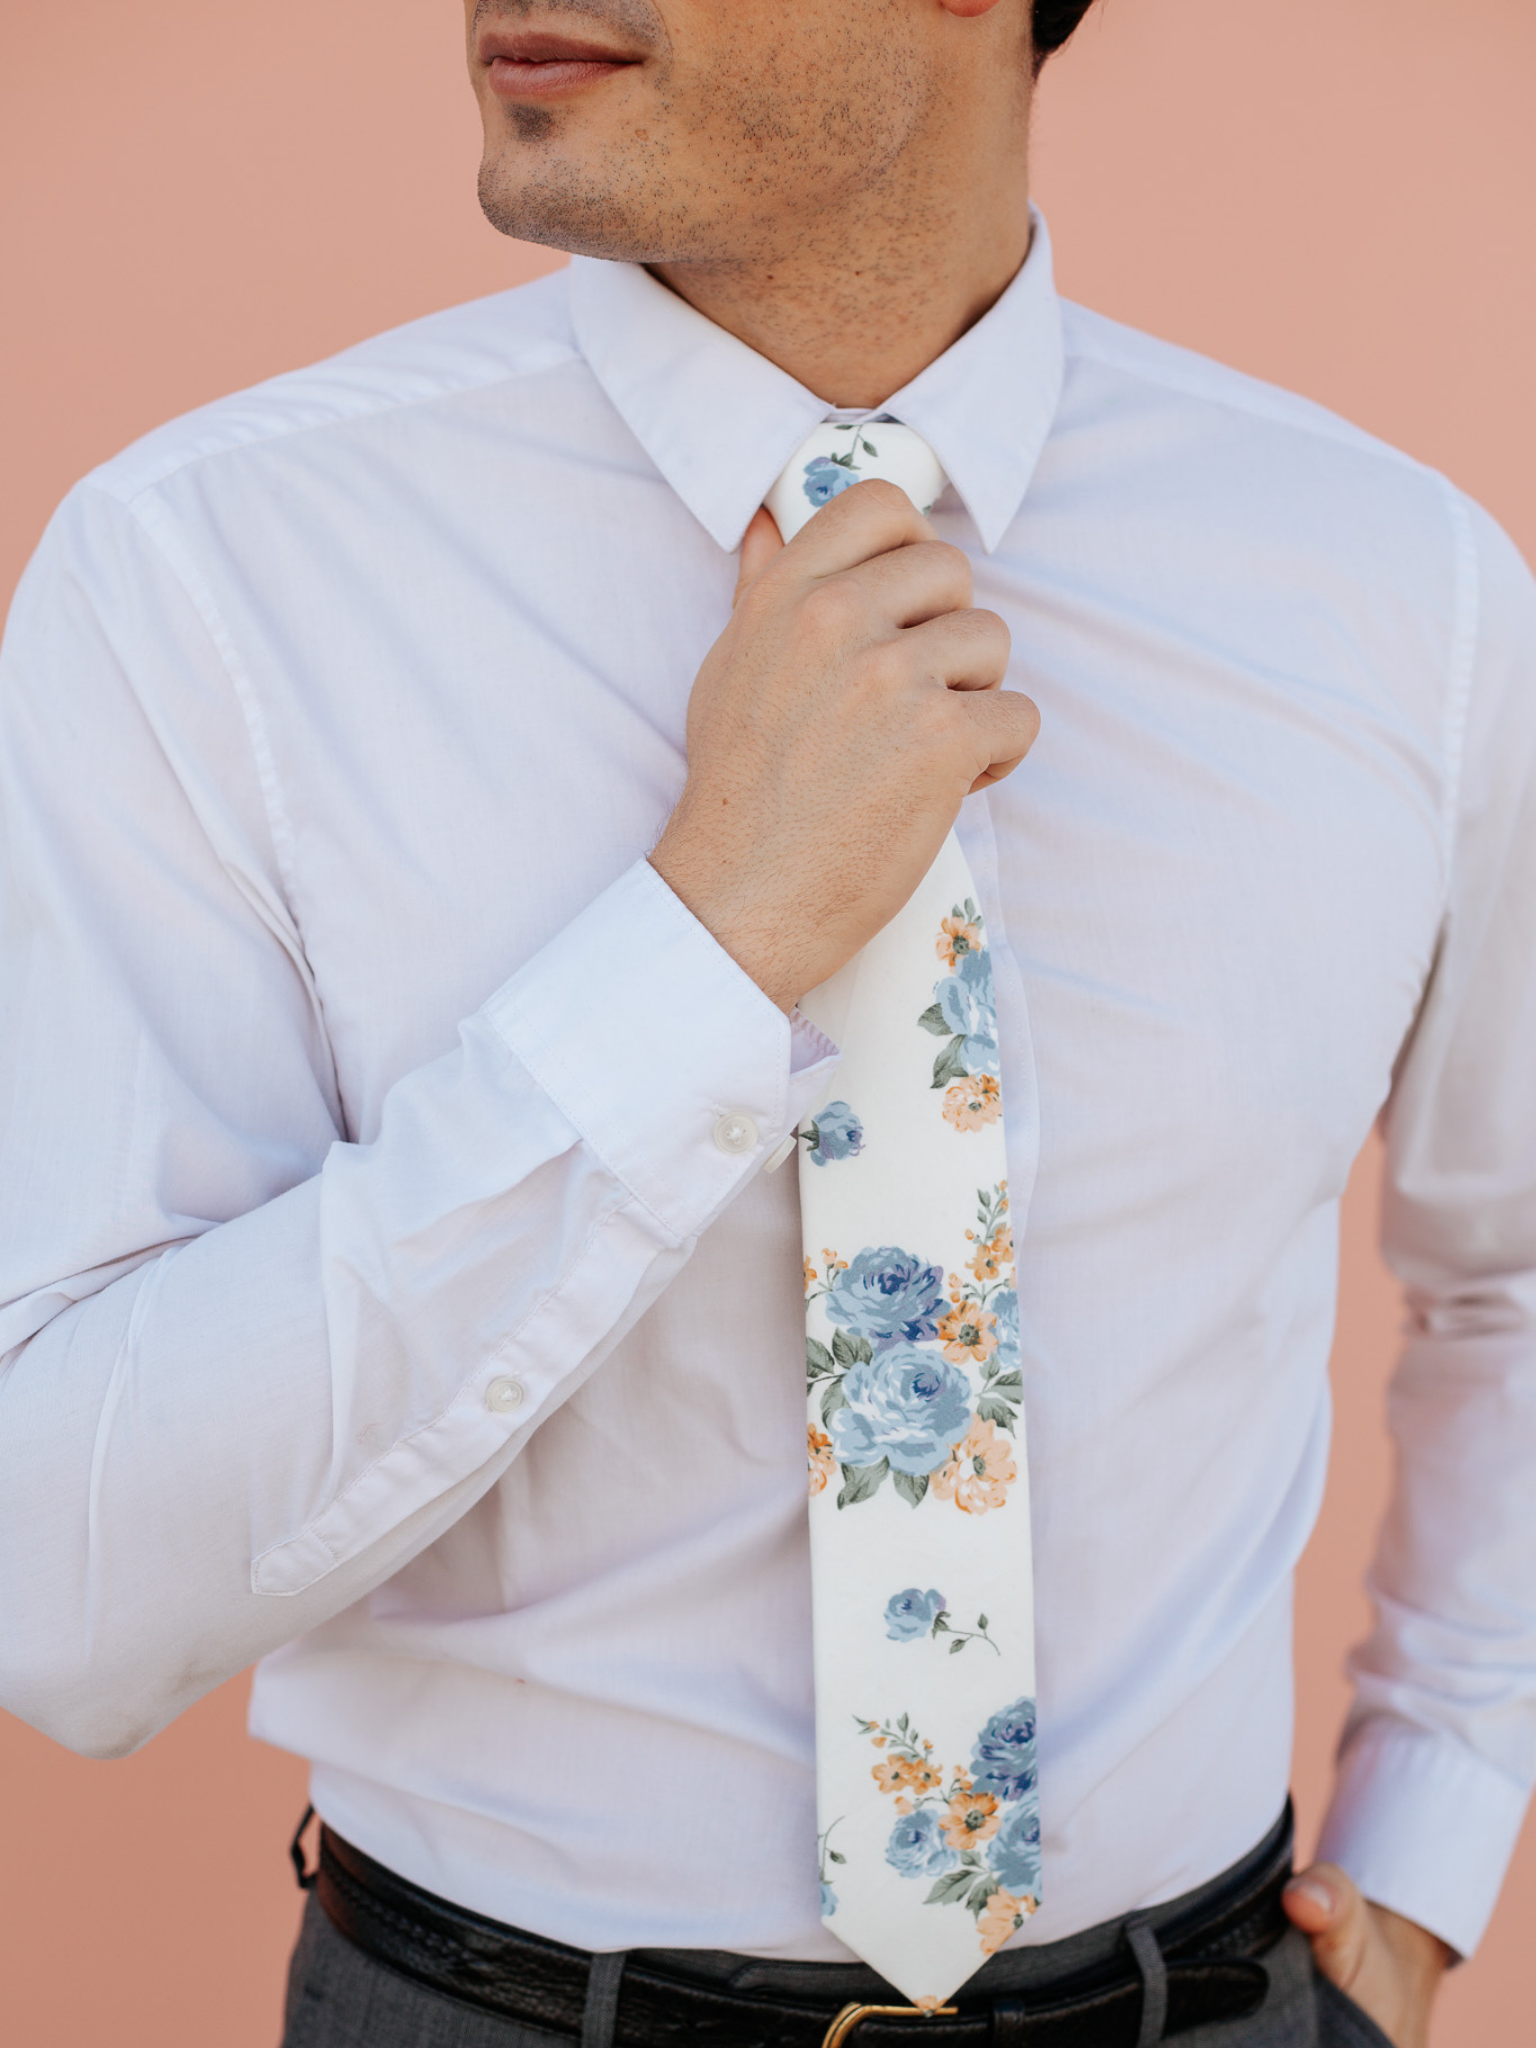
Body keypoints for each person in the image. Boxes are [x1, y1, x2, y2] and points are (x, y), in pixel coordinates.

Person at [1, 0, 1532, 2043]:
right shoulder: (202, 581)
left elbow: (1512, 1274)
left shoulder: (1401, 592)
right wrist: (704, 948)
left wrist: (1432, 1847)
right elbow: (61, 1581)